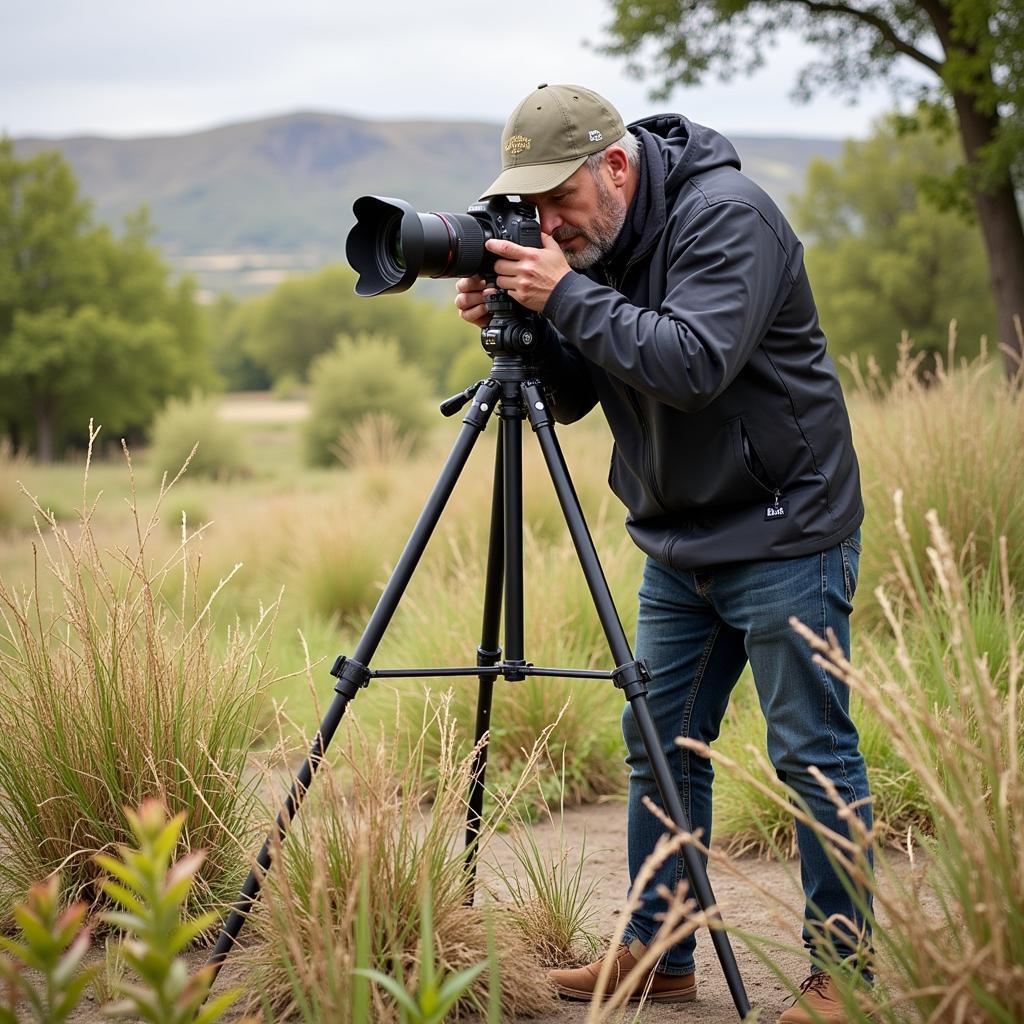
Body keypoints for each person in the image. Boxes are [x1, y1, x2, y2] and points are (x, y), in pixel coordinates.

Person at [454, 83, 873, 1024]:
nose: (547, 222)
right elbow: (573, 396)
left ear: (615, 165)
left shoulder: (730, 218)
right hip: (678, 535)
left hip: (784, 528)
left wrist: (562, 290)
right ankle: (662, 952)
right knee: (658, 745)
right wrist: (514, 320)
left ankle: (842, 981)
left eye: (558, 200)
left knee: (811, 752)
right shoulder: (593, 244)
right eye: (532, 204)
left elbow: (691, 363)